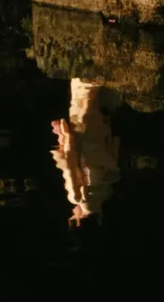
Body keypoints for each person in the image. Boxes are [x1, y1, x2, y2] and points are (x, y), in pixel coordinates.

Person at [50, 79, 121, 226]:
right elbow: (69, 166)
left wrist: (113, 139)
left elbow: (114, 153)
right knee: (80, 97)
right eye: (72, 217)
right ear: (78, 221)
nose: (72, 212)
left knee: (92, 101)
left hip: (102, 137)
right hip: (82, 140)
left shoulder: (107, 193)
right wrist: (66, 137)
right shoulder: (77, 198)